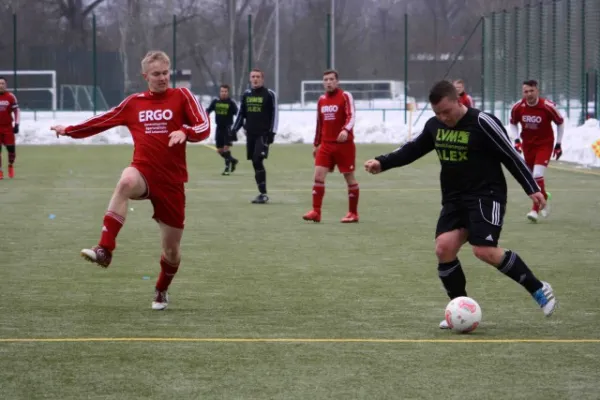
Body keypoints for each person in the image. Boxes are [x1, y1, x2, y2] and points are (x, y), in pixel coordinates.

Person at [364, 80, 557, 329]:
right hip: (454, 198)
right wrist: (383, 162)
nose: (443, 117)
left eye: (447, 111)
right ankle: (460, 308)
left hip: (486, 195)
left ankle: (539, 288)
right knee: (444, 248)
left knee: (483, 250)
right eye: (438, 113)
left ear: (458, 100)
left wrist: (532, 189)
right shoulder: (435, 126)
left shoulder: (482, 123)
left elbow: (510, 155)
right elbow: (413, 149)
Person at [50, 50, 210, 310]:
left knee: (171, 251)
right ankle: (105, 249)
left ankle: (161, 289)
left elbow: (204, 127)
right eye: (156, 74)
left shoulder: (182, 96)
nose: (162, 78)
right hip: (143, 172)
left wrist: (185, 131)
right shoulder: (134, 103)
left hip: (171, 183)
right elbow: (102, 120)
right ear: (145, 76)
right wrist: (69, 130)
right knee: (125, 181)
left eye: (165, 73)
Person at [303, 69, 359, 223]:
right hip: (326, 145)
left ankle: (353, 213)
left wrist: (346, 130)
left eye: (331, 79)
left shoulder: (345, 96)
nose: (328, 82)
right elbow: (319, 124)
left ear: (337, 81)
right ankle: (316, 212)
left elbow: (352, 115)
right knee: (318, 176)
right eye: (325, 80)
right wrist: (316, 144)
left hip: (344, 145)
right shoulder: (321, 100)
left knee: (349, 177)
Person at [510, 79, 564, 222]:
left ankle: (535, 209)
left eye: (531, 91)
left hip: (544, 145)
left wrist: (558, 144)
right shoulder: (518, 107)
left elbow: (560, 123)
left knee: (537, 175)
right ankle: (544, 195)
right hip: (528, 146)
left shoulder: (547, 107)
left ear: (537, 91)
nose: (528, 94)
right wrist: (516, 141)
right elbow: (513, 124)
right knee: (531, 178)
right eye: (525, 91)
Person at [231, 68, 278, 204]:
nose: (255, 79)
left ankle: (263, 194)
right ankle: (261, 192)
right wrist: (234, 129)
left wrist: (272, 133)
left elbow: (275, 114)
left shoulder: (269, 94)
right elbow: (241, 114)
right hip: (250, 134)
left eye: (258, 76)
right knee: (254, 161)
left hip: (263, 134)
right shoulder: (246, 94)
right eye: (253, 77)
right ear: (250, 79)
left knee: (258, 159)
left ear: (262, 79)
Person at [206, 84, 239, 175]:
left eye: (225, 92)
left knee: (225, 149)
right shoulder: (215, 101)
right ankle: (233, 160)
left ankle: (227, 169)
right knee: (219, 150)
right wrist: (204, 116)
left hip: (228, 128)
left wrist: (241, 125)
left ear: (228, 93)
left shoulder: (231, 103)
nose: (223, 93)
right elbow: (208, 111)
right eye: (222, 91)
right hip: (219, 128)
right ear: (220, 92)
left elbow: (238, 114)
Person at [0, 76, 20, 179]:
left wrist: (17, 124)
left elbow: (17, 111)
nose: (1, 85)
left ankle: (10, 165)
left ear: (6, 85)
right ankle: (0, 172)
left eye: (2, 83)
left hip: (8, 128)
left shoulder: (11, 97)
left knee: (11, 150)